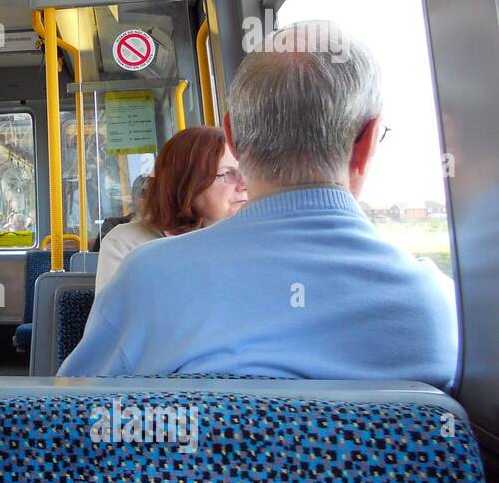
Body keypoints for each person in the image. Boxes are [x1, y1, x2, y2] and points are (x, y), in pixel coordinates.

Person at [60, 25, 458, 389]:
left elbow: (70, 418)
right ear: (367, 142)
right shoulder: (439, 306)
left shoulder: (147, 280)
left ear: (232, 137)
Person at [95, 126, 248, 291]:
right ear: (187, 182)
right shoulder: (125, 244)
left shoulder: (251, 239)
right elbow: (125, 316)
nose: (244, 185)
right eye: (228, 173)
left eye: (246, 173)